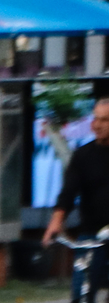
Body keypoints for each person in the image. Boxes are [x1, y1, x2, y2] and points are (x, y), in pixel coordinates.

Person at [41, 95, 109, 250]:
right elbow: (68, 192)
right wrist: (56, 221)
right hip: (92, 234)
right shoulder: (83, 155)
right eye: (95, 119)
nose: (97, 125)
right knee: (84, 271)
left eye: (104, 120)